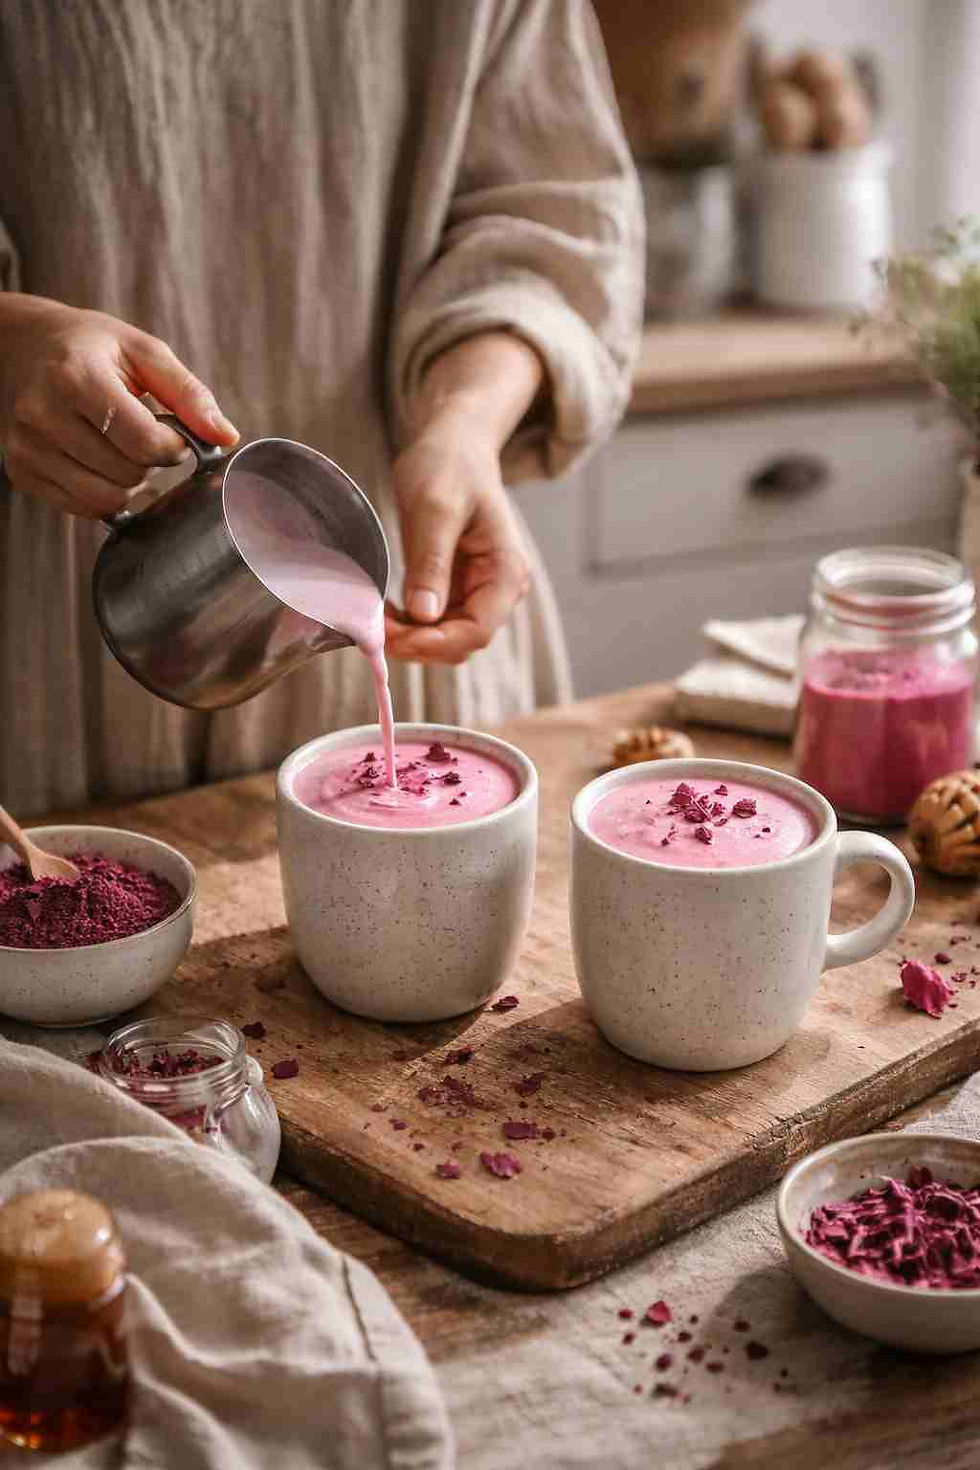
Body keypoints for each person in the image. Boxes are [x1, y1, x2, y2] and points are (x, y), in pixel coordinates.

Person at [0, 1, 643, 817]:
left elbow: (554, 227)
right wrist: (11, 342)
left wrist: (465, 428)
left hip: (401, 533)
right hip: (53, 613)